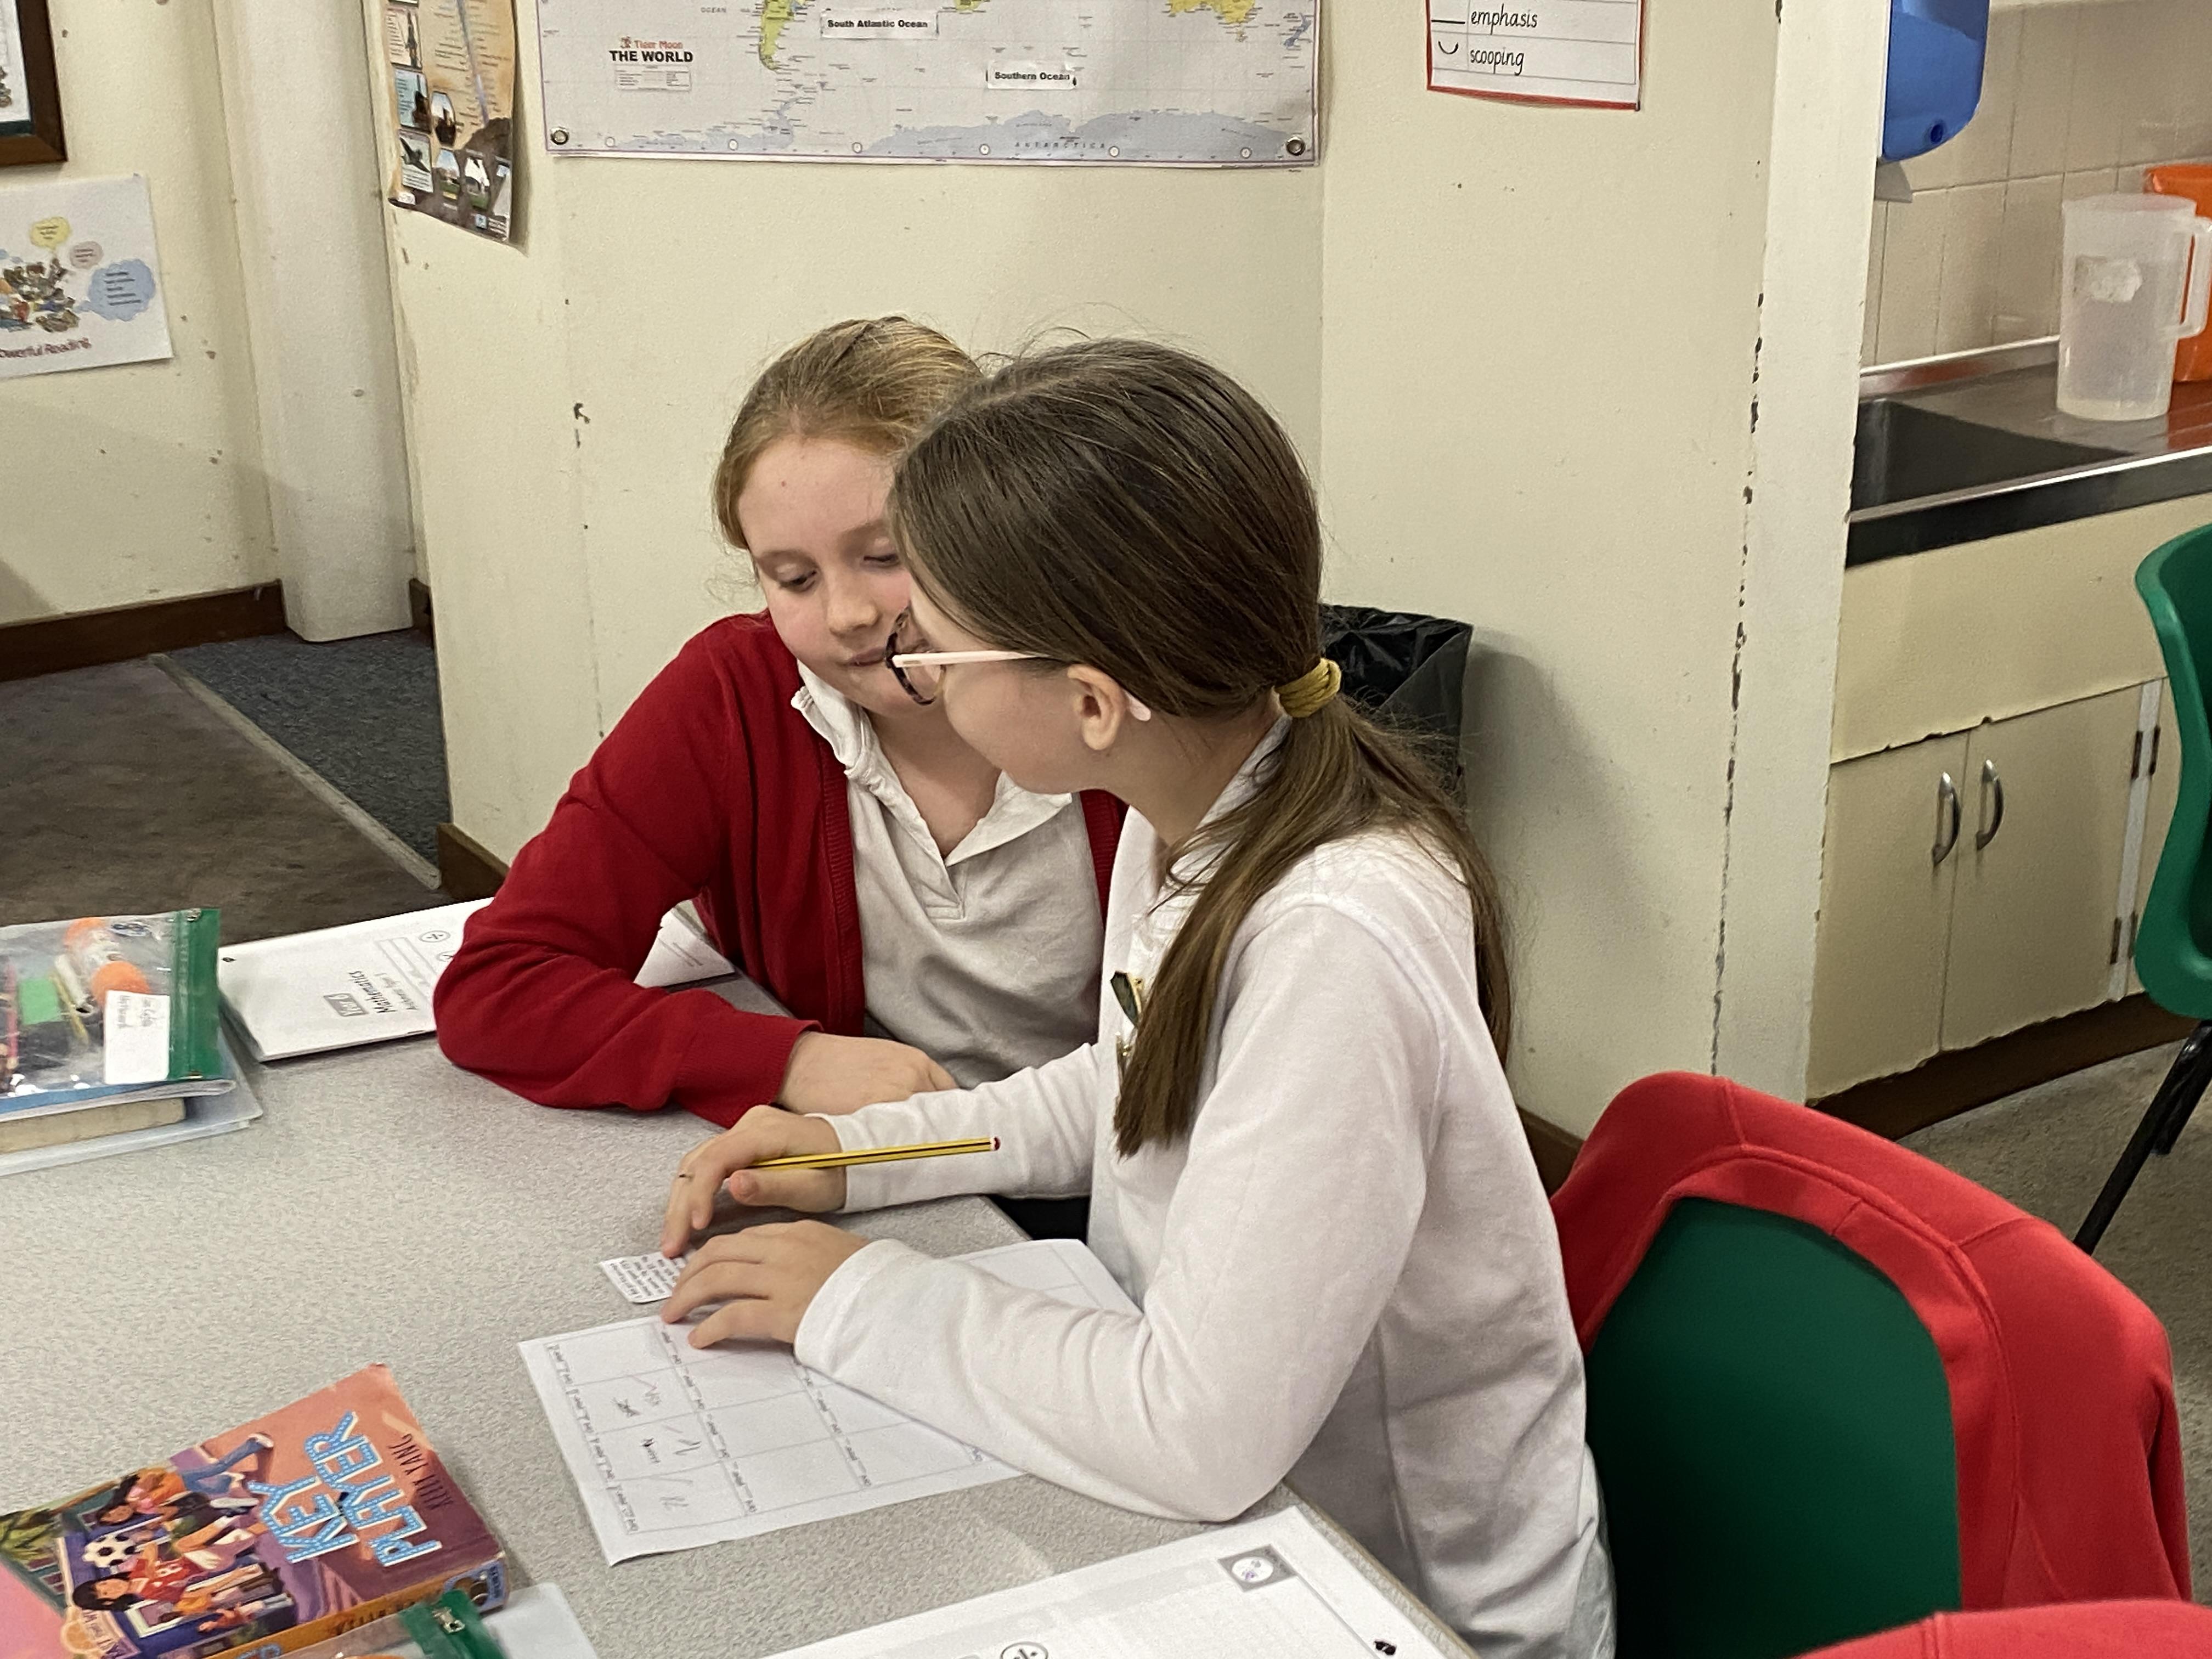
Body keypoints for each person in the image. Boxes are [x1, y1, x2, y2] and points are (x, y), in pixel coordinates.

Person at [653, 339, 1613, 1659]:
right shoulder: (1188, 816)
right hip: (1249, 1519)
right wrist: (856, 1155)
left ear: (1093, 703)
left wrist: (852, 1300)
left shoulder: (1331, 935)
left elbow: (1195, 1436)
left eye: (941, 644)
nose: (911, 661)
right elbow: (1129, 1087)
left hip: (1403, 1598)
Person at [436, 320, 1120, 1236]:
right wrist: (787, 1060)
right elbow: (500, 982)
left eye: (886, 557)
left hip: (1121, 1184)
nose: (847, 614)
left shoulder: (1118, 710)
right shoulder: (735, 696)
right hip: (880, 1178)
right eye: (793, 578)